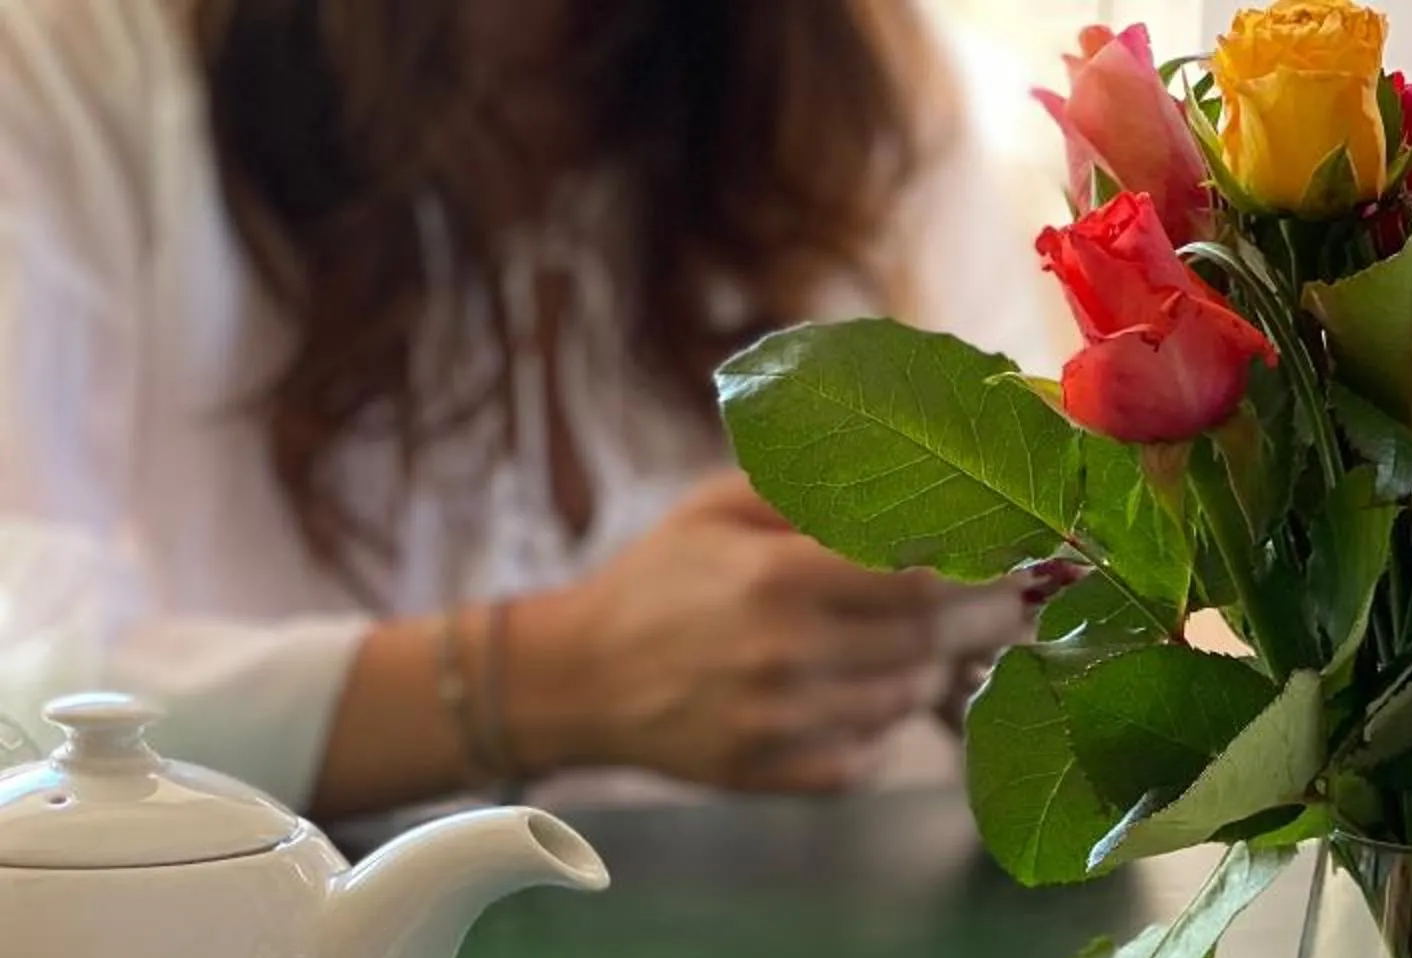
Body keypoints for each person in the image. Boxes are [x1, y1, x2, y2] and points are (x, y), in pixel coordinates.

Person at [0, 0, 1050, 817]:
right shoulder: (70, 70)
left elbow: (1039, 595)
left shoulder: (859, 84)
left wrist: (962, 634)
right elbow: (25, 698)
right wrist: (547, 678)